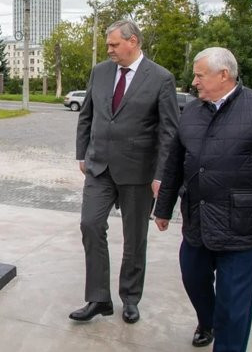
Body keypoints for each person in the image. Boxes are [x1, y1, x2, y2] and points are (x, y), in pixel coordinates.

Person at [153, 47, 252, 350]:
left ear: (224, 74)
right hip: (197, 222)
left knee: (234, 306)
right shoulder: (191, 111)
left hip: (241, 227)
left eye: (199, 75)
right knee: (193, 278)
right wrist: (163, 209)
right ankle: (208, 321)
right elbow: (175, 164)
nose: (194, 82)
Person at [70, 19, 179, 324]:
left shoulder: (161, 78)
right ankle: (98, 298)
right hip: (99, 167)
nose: (110, 50)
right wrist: (82, 154)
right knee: (90, 225)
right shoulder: (100, 72)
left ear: (133, 42)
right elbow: (87, 115)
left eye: (114, 44)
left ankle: (130, 298)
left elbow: (169, 132)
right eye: (108, 45)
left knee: (134, 238)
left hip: (138, 172)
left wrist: (160, 175)